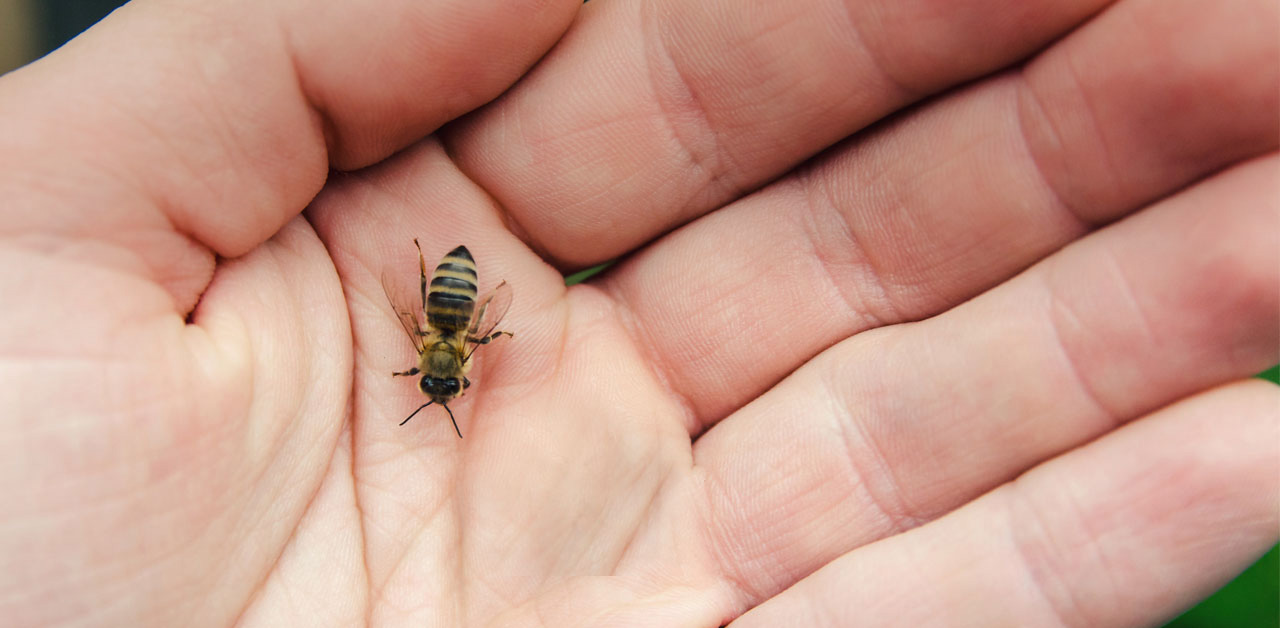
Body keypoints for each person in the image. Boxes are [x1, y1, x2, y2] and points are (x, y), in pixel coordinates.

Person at [0, 0, 1275, 625]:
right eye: (440, 378)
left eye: (434, 378)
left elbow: (457, 316)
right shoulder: (449, 348)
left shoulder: (441, 351)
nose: (439, 376)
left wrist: (460, 331)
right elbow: (460, 315)